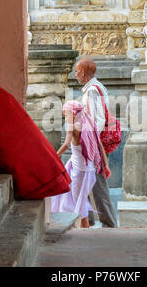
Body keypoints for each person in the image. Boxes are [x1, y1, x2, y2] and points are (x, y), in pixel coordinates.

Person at [51, 100, 111, 228]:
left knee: (79, 201)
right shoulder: (89, 123)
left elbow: (66, 144)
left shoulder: (72, 127)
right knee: (78, 199)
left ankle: (84, 228)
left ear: (73, 113)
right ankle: (83, 227)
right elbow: (100, 146)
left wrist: (53, 157)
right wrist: (106, 165)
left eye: (66, 114)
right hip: (88, 171)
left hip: (79, 173)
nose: (65, 118)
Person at [75, 58, 118, 228]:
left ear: (84, 73)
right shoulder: (96, 88)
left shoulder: (93, 90)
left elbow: (97, 119)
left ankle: (108, 222)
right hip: (92, 142)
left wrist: (90, 143)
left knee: (97, 183)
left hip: (92, 143)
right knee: (85, 179)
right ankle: (89, 219)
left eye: (77, 71)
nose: (76, 74)